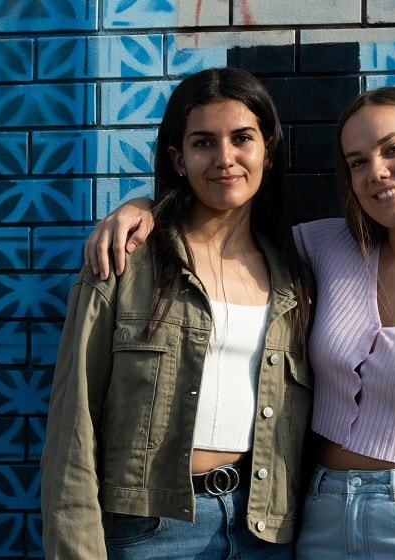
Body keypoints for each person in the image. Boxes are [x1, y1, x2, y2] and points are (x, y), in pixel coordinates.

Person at [85, 85, 395, 559]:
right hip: (320, 518)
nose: (377, 172)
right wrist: (143, 208)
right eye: (357, 161)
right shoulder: (325, 249)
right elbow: (224, 226)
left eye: (393, 149)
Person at [40, 67, 314, 560]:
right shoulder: (125, 261)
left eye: (242, 139)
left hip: (266, 532)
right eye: (204, 142)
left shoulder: (295, 278)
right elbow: (72, 428)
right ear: (178, 158)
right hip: (150, 532)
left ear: (268, 152)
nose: (225, 158)